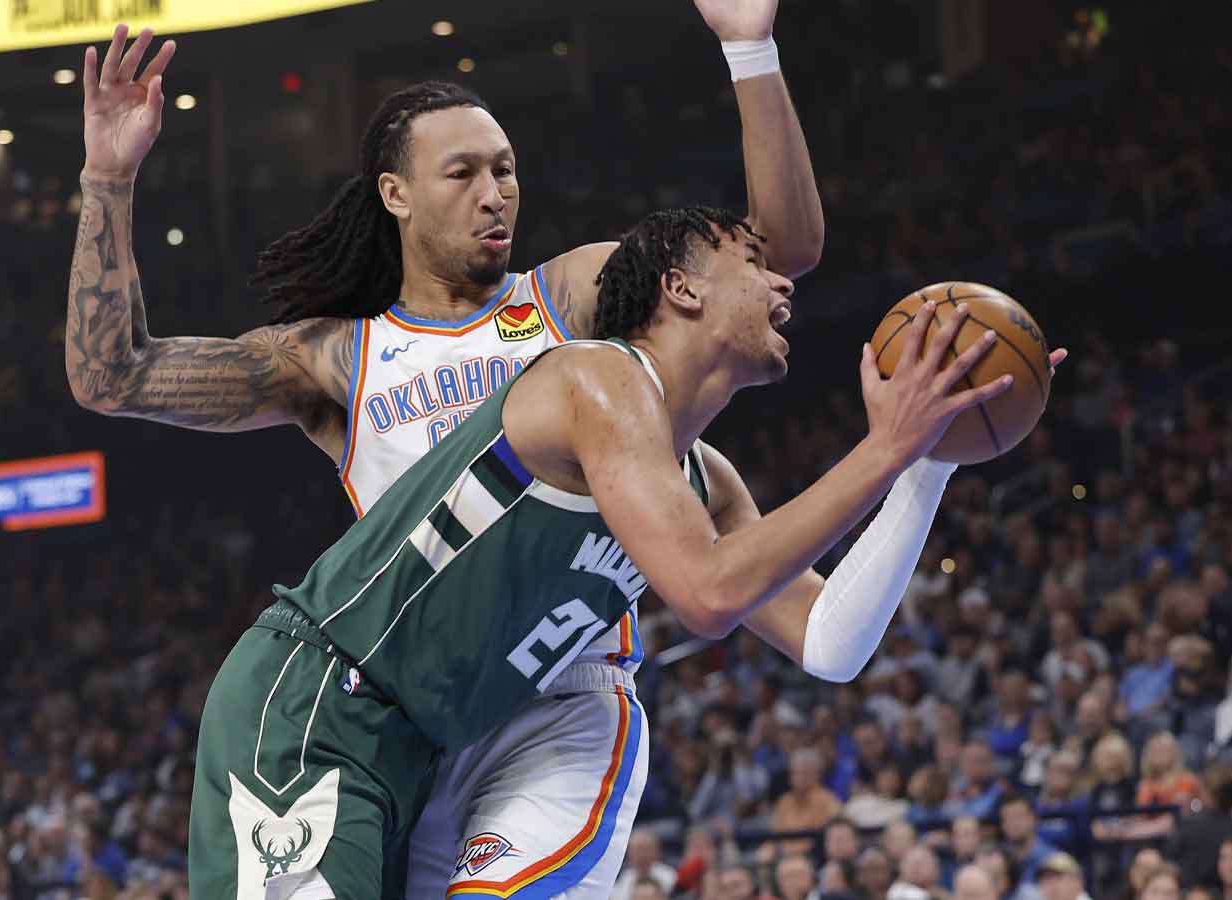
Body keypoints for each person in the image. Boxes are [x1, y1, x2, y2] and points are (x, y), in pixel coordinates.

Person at [64, 6, 827, 896]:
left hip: (556, 691)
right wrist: (107, 178)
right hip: (410, 718)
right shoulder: (334, 360)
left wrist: (749, 46)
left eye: (504, 169)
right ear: (396, 194)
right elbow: (109, 376)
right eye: (462, 173)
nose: (494, 192)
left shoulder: (572, 297)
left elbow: (772, 258)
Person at [184, 206, 1018, 897]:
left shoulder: (702, 479)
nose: (782, 282)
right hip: (316, 703)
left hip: (415, 743)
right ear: (681, 288)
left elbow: (829, 642)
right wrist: (886, 448)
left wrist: (927, 466)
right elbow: (707, 593)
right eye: (754, 263)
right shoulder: (596, 378)